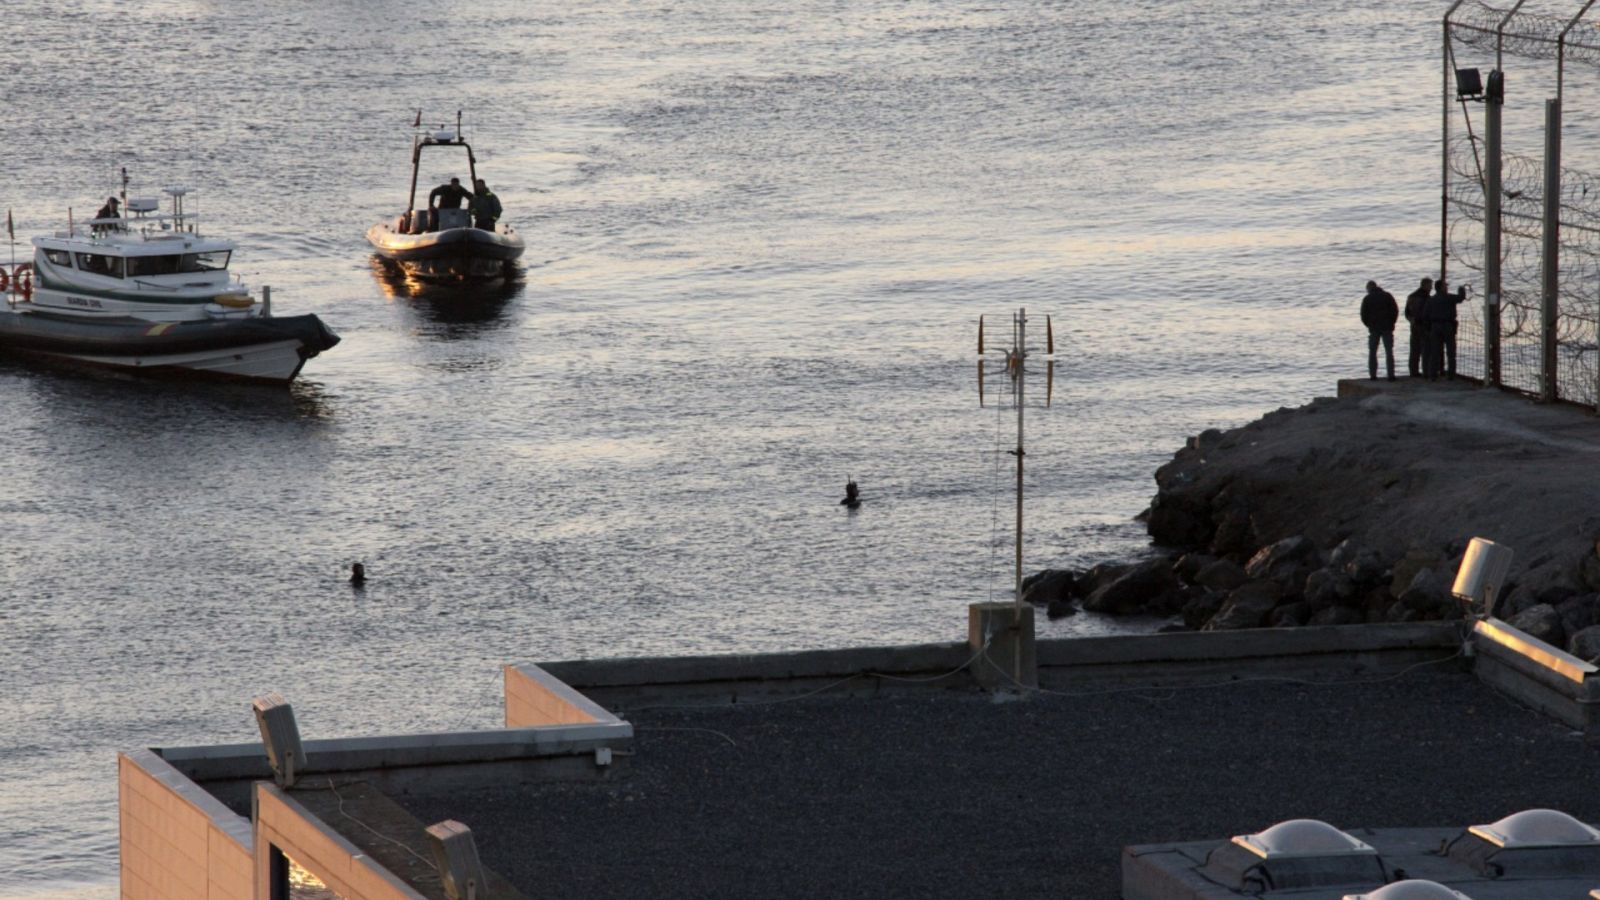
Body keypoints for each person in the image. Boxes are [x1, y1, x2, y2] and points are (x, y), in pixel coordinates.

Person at [1422, 277, 1469, 380]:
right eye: (1445, 286)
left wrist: (1428, 328)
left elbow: (1425, 316)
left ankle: (1433, 375)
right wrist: (1461, 289)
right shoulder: (1449, 298)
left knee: (1435, 352)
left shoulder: (1431, 300)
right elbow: (1460, 298)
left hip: (1435, 326)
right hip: (1447, 326)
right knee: (1451, 352)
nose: (1447, 287)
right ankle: (1451, 375)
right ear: (1442, 288)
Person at [1360, 280, 1399, 381]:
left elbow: (1363, 315)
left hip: (1374, 328)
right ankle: (1391, 375)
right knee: (1389, 352)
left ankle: (1373, 375)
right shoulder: (1387, 296)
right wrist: (1392, 323)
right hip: (1387, 327)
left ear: (1368, 288)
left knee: (1372, 352)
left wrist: (1369, 325)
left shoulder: (1367, 298)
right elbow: (1395, 310)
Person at [1403, 277, 1432, 378]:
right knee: (1426, 350)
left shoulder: (1411, 296)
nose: (1431, 288)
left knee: (1414, 350)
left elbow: (1406, 313)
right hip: (1424, 326)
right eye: (1430, 285)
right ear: (1425, 285)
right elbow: (1428, 313)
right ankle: (1426, 372)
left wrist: (1412, 320)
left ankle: (1413, 371)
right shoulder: (1427, 298)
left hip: (1414, 326)